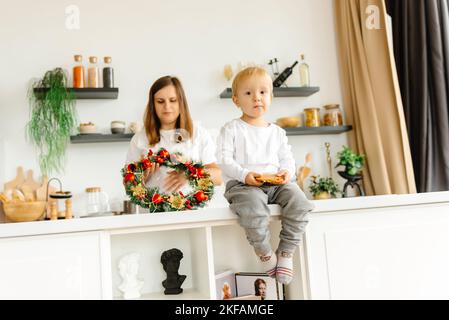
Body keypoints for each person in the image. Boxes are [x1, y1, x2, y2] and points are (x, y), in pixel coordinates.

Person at [216, 66, 315, 285]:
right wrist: (245, 174)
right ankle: (265, 253)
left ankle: (286, 252)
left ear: (271, 96)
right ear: (236, 100)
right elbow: (224, 160)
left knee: (300, 202)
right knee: (253, 209)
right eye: (248, 93)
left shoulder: (277, 131)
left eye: (263, 92)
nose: (257, 98)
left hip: (275, 183)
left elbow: (287, 159)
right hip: (244, 184)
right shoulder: (232, 129)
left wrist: (286, 173)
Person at [126, 76, 222, 195]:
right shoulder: (140, 139)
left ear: (181, 102)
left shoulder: (198, 133)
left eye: (173, 100)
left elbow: (218, 177)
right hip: (151, 212)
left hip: (191, 212)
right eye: (160, 101)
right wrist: (142, 178)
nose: (167, 107)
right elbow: (128, 186)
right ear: (153, 105)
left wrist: (190, 175)